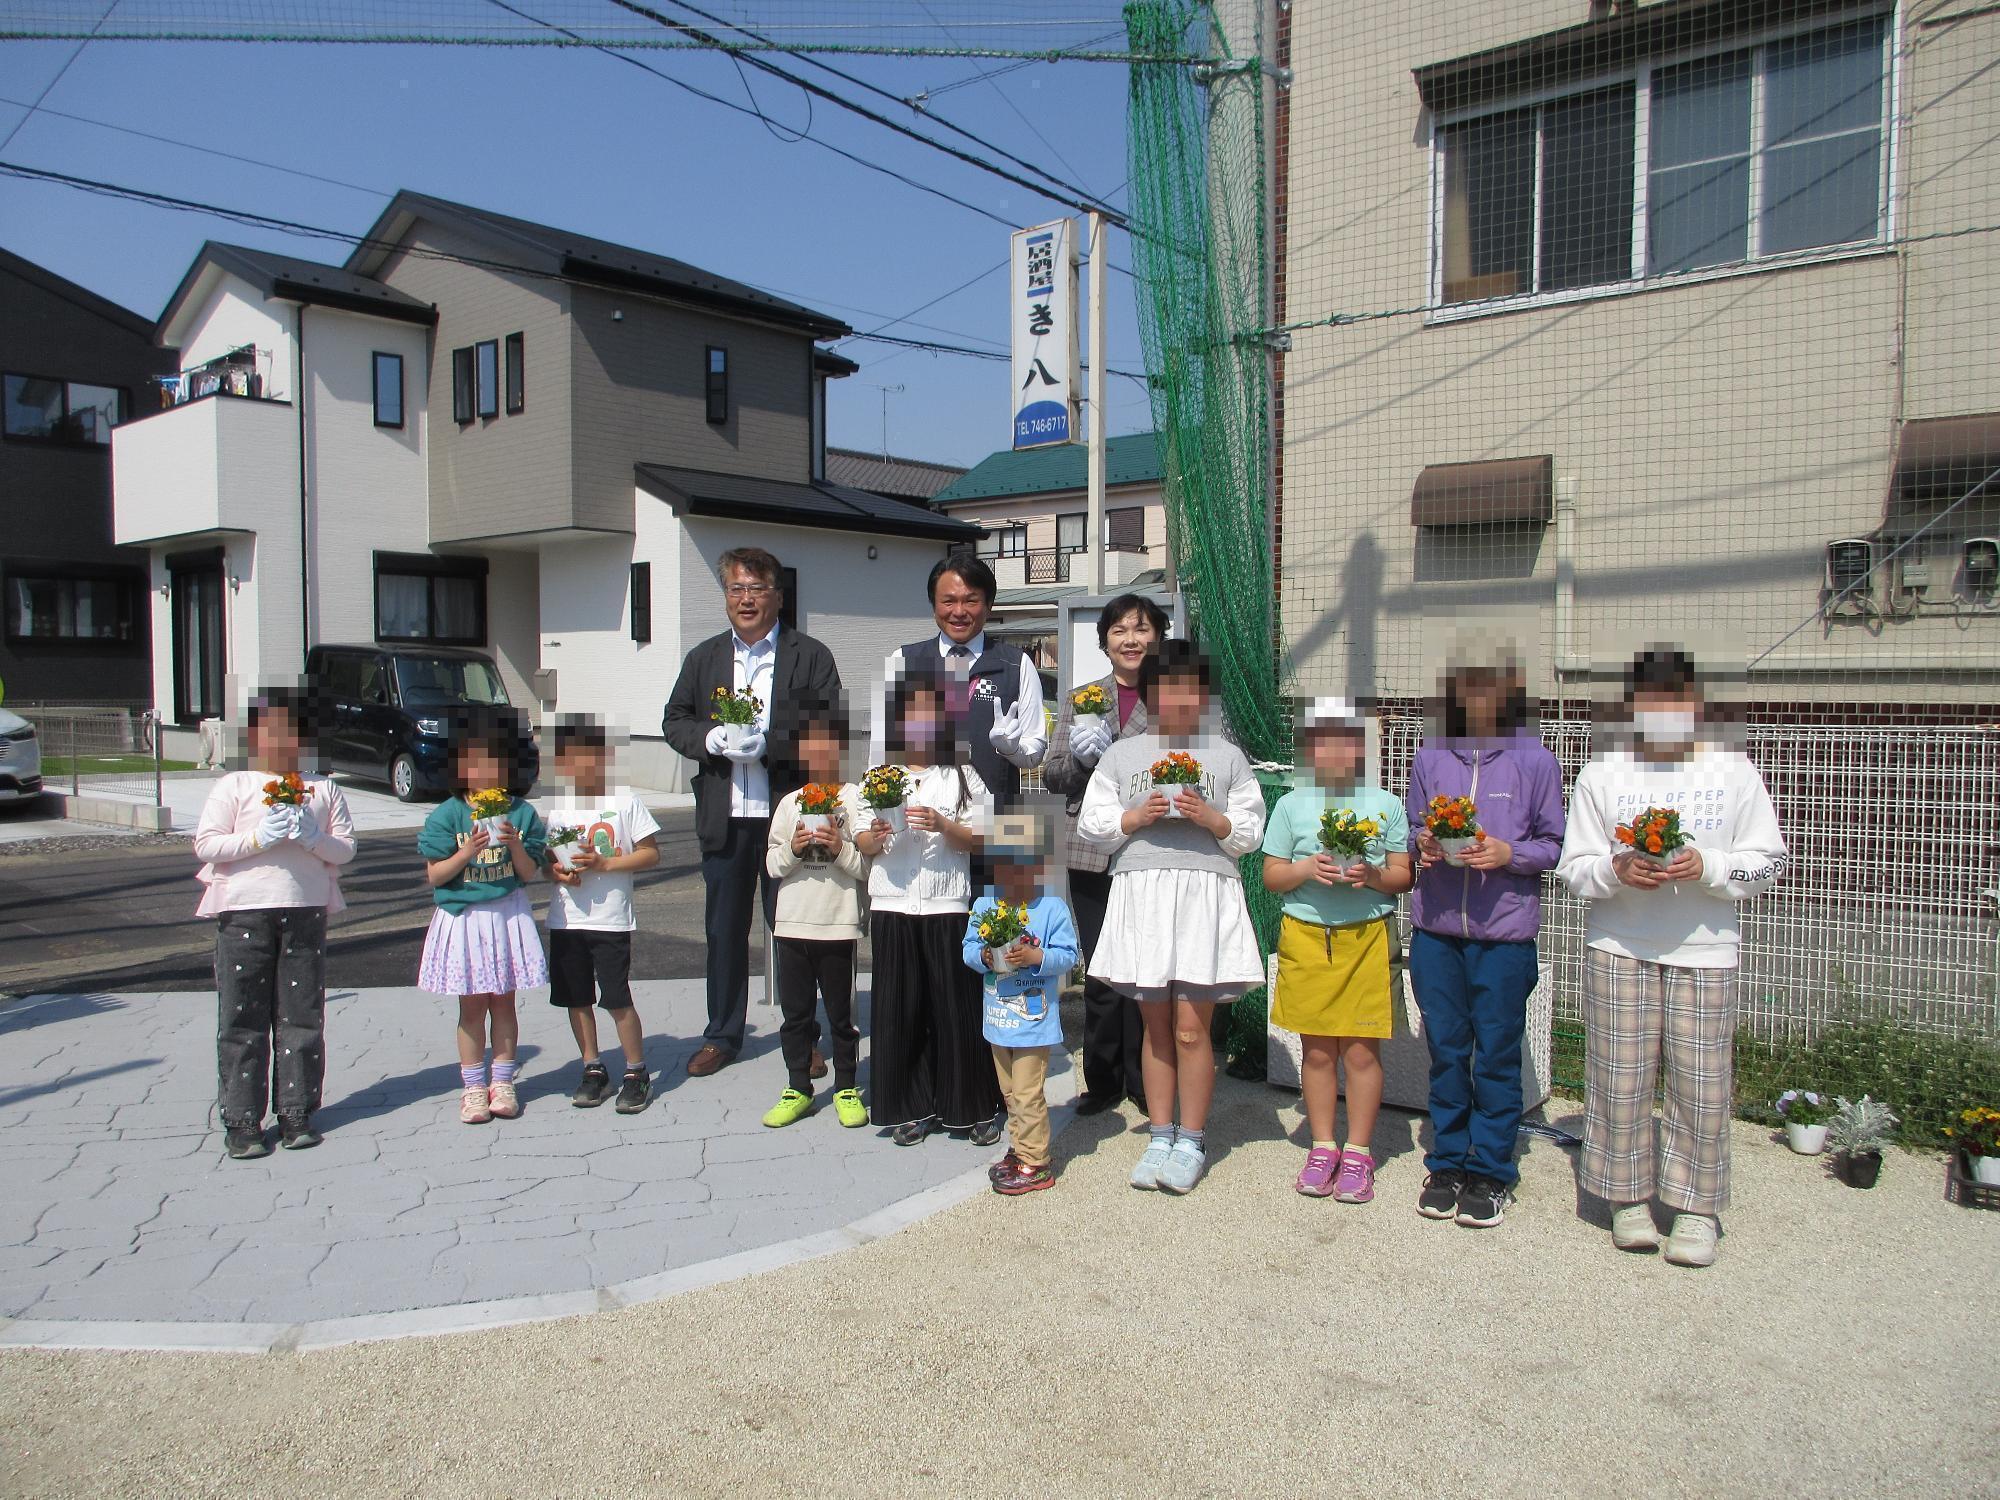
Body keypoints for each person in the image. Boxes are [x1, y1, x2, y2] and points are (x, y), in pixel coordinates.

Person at [1557, 647, 1786, 1268]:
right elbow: (1573, 868)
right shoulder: (1603, 773)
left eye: (1674, 702)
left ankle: (1695, 1208)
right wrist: (1616, 867)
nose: (1662, 714)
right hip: (1620, 946)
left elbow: (1770, 861)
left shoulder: (1732, 771)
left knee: (1703, 1085)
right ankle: (1626, 1197)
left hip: (1707, 952)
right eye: (1649, 702)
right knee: (1619, 1076)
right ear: (1630, 709)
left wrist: (1709, 866)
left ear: (1693, 706)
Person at [1077, 640, 1265, 1195]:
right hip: (1144, 892)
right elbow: (1095, 823)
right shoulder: (1122, 755)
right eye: (1167, 688)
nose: (1179, 699)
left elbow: (1249, 834)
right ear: (1149, 695)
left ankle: (1192, 1138)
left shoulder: (1226, 756)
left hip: (1204, 894)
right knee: (1155, 1027)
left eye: (1191, 687)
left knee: (1191, 1027)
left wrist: (1213, 818)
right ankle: (1159, 1135)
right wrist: (1136, 817)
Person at [662, 547, 841, 1078]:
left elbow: (826, 726)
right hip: (724, 815)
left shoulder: (809, 655)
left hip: (787, 818)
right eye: (736, 589)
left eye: (757, 589)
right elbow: (675, 720)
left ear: (777, 597)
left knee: (792, 931)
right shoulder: (704, 658)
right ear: (725, 597)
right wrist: (712, 737)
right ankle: (722, 1034)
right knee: (723, 929)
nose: (746, 599)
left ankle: (802, 1036)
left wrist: (770, 742)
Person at [1404, 649, 1565, 1229]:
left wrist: (1507, 854)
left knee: (1495, 1055)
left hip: (1504, 936)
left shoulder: (1535, 762)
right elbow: (1415, 825)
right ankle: (1447, 1161)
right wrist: (1424, 842)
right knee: (1447, 1051)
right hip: (1436, 932)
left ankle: (1492, 1171)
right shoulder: (1430, 757)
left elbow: (1554, 844)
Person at [192, 687, 356, 1159]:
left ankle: (296, 1111)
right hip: (244, 910)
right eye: (270, 730)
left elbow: (345, 848)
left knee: (301, 1013)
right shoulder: (236, 785)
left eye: (292, 730)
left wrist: (312, 836)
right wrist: (257, 838)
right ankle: (243, 1120)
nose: (282, 740)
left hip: (304, 910)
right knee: (242, 1014)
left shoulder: (322, 788)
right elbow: (207, 845)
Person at [1262, 698, 1414, 1206]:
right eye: (1321, 741)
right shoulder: (1290, 805)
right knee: (1319, 1050)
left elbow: (1401, 876)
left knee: (1362, 1052)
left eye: (1344, 741)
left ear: (1359, 748)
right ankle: (1322, 1145)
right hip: (1306, 936)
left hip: (1368, 936)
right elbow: (1272, 876)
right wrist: (1308, 869)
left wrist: (1369, 875)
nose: (1333, 752)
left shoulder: (1385, 803)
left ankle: (1359, 1152)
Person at [855, 668, 1000, 1147]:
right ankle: (910, 1107)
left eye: (929, 712)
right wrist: (874, 839)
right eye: (910, 711)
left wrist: (944, 825)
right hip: (892, 905)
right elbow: (861, 839)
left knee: (956, 1008)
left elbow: (986, 837)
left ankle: (972, 1105)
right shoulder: (878, 778)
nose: (919, 721)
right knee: (901, 1008)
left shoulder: (962, 776)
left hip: (948, 905)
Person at [1040, 592, 1166, 1115]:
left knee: (1147, 965)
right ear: (1105, 641)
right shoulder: (1081, 697)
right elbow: (1052, 775)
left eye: (1141, 629)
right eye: (1119, 630)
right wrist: (1084, 761)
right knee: (1102, 967)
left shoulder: (1174, 697)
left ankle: (1145, 1078)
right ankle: (1103, 1078)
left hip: (1152, 846)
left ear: (1158, 637)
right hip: (1091, 847)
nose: (1131, 639)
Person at [416, 709, 549, 1125]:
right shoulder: (448, 814)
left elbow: (529, 874)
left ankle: (503, 1082)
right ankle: (473, 1088)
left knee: (504, 1003)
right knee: (471, 1008)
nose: (483, 771)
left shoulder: (521, 812)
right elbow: (436, 875)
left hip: (506, 915)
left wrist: (514, 845)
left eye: (491, 762)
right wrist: (465, 852)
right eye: (473, 763)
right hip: (464, 919)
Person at [542, 715, 661, 1115]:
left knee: (615, 998)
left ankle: (635, 1070)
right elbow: (549, 861)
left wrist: (604, 865)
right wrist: (558, 871)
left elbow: (651, 853)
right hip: (566, 919)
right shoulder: (560, 808)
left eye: (590, 757)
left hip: (609, 920)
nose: (582, 767)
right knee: (577, 999)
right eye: (571, 759)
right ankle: (593, 1068)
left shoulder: (625, 802)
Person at [760, 699, 869, 1130]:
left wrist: (840, 848)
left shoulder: (855, 800)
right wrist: (794, 849)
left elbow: (868, 868)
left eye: (829, 744)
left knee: (842, 1014)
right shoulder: (790, 803)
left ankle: (846, 1086)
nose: (820, 753)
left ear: (841, 749)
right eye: (812, 745)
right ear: (802, 751)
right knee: (796, 1014)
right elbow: (771, 864)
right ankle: (798, 1087)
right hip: (791, 923)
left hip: (839, 923)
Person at [961, 807, 1079, 1196]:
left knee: (1028, 1092)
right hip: (997, 1019)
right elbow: (968, 947)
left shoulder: (1051, 908)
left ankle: (1037, 1162)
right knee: (1010, 1092)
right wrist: (981, 957)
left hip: (1034, 1022)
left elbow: (1069, 956)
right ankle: (1020, 1147)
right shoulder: (985, 904)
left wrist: (1036, 957)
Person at [874, 551, 1044, 811]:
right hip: (921, 826)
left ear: (989, 605)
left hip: (996, 822)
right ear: (933, 606)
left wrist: (1011, 750)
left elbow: (1036, 750)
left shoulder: (1016, 664)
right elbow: (881, 753)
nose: (959, 612)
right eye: (948, 601)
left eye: (971, 601)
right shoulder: (904, 660)